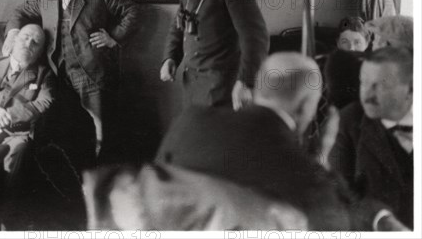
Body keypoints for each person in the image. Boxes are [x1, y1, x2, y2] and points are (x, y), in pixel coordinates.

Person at [156, 52, 408, 231]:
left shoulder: (189, 121)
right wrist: (320, 163)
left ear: (258, 91)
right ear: (306, 106)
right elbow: (338, 226)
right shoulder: (310, 181)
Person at [2, 0, 139, 161]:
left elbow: (132, 11)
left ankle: (96, 177)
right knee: (58, 128)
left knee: (99, 130)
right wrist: (12, 34)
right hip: (55, 75)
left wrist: (113, 38)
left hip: (91, 73)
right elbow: (20, 12)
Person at [330, 46, 413, 229]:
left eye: (381, 85)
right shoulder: (349, 122)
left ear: (411, 89)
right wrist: (381, 220)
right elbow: (339, 194)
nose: (367, 95)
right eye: (363, 83)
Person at [0, 24, 55, 178]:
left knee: (18, 150)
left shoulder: (43, 74)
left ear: (40, 52)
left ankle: (8, 200)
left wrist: (7, 117)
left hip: (15, 133)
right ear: (14, 39)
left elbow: (45, 102)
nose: (29, 43)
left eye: (35, 42)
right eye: (25, 37)